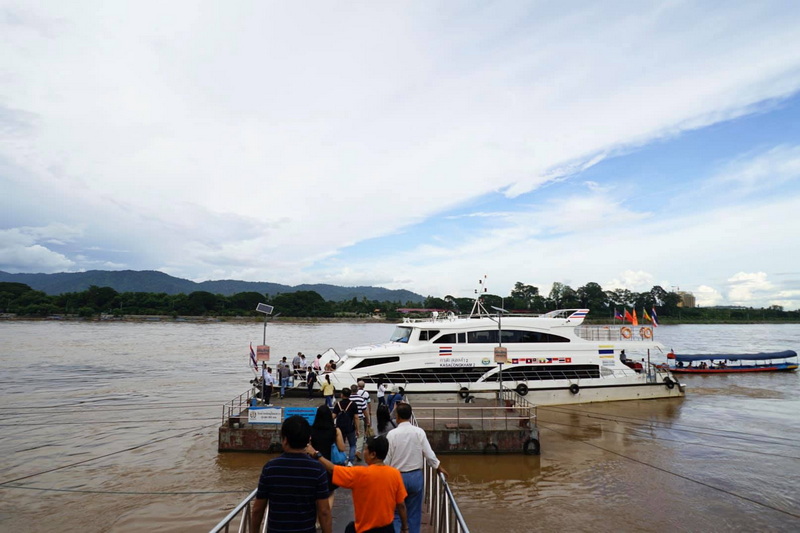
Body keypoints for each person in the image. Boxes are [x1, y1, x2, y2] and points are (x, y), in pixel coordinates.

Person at [306, 436, 408, 533]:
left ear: (373, 454)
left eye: (366, 449)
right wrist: (405, 527)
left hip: (364, 529)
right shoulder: (395, 474)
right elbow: (401, 505)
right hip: (387, 528)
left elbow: (332, 469)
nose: (364, 452)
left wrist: (316, 454)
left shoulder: (359, 474)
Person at [250, 415, 331, 533]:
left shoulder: (270, 468)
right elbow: (324, 512)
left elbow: (258, 509)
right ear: (308, 440)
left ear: (285, 440)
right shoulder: (317, 470)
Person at [386, 403, 448, 533]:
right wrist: (437, 466)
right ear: (410, 415)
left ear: (397, 416)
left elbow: (387, 458)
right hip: (415, 476)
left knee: (396, 512)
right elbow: (428, 453)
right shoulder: (419, 432)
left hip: (397, 476)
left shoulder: (392, 434)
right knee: (414, 513)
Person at [310, 404, 347, 511]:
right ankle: (326, 514)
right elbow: (342, 448)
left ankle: (316, 517)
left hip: (314, 464)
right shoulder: (335, 431)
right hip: (330, 465)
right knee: (330, 492)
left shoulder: (311, 430)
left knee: (315, 492)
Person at [333, 387, 359, 466]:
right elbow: (356, 417)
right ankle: (350, 461)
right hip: (350, 428)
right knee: (352, 444)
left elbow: (333, 416)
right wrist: (357, 429)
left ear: (342, 395)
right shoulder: (353, 404)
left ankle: (342, 459)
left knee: (341, 444)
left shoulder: (338, 404)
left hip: (340, 428)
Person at [352, 382, 371, 459]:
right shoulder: (363, 396)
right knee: (360, 435)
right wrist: (368, 420)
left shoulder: (349, 398)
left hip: (350, 420)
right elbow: (365, 409)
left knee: (351, 435)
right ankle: (358, 451)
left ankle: (351, 450)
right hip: (360, 418)